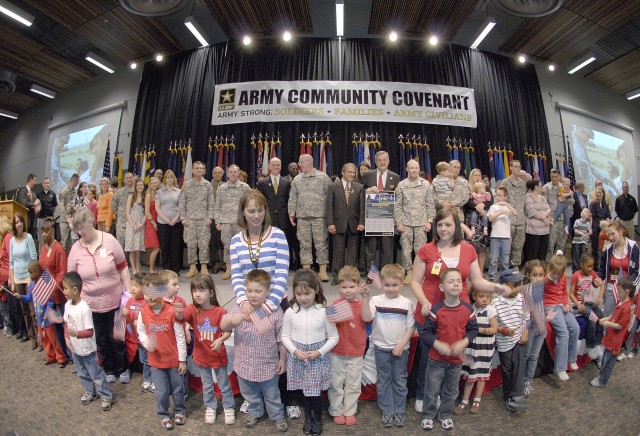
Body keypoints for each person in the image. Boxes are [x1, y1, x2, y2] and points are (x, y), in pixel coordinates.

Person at [410, 209, 510, 412]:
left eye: (448, 224)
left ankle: (446, 397)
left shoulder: (468, 250)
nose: (444, 229)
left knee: (453, 359)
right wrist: (424, 302)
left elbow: (478, 281)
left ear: (456, 226)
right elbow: (414, 282)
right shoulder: (426, 250)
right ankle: (423, 395)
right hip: (430, 315)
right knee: (429, 357)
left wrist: (498, 287)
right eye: (440, 225)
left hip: (458, 316)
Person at [67, 208, 131, 384]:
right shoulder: (75, 249)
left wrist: (129, 293)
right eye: (77, 229)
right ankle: (109, 368)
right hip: (91, 304)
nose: (80, 233)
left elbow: (123, 267)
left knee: (116, 337)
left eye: (82, 228)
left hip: (115, 300)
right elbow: (71, 278)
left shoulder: (109, 240)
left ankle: (123, 368)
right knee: (101, 339)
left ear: (91, 222)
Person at [220, 269, 289, 433]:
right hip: (244, 364)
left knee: (272, 394)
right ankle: (255, 412)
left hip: (267, 364)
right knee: (249, 393)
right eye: (249, 290)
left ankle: (277, 415)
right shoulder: (239, 308)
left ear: (268, 291)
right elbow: (223, 326)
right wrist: (230, 320)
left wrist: (282, 360)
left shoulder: (276, 312)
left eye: (258, 291)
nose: (253, 295)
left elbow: (281, 340)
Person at [419, 268, 478, 431]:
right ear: (442, 287)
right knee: (431, 390)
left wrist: (464, 341)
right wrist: (438, 344)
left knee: (451, 392)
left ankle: (445, 415)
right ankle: (428, 415)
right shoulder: (437, 310)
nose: (456, 284)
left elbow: (473, 330)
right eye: (451, 281)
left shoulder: (468, 309)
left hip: (456, 361)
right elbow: (425, 333)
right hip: (436, 360)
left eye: (459, 281)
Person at [282, 269, 339, 435]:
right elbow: (285, 336)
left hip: (317, 357)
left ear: (317, 290)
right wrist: (294, 351)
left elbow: (334, 338)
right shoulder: (290, 311)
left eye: (307, 293)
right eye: (298, 294)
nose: (303, 298)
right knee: (304, 392)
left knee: (315, 393)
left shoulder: (326, 311)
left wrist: (319, 352)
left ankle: (318, 419)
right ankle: (308, 417)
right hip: (298, 356)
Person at [174, 273, 235, 425]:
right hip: (201, 357)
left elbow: (228, 331)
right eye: (194, 291)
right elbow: (180, 318)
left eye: (201, 290)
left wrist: (221, 340)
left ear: (211, 292)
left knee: (224, 385)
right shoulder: (192, 310)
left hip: (218, 357)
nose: (197, 294)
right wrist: (179, 312)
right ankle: (210, 407)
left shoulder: (220, 312)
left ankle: (228, 407)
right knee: (207, 386)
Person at [361, 264, 415, 428]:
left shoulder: (407, 303)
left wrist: (402, 343)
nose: (391, 289)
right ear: (381, 283)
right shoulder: (376, 300)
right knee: (383, 380)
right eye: (387, 285)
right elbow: (366, 317)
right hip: (381, 348)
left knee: (399, 380)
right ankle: (387, 410)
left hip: (401, 349)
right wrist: (365, 298)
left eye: (395, 285)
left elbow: (411, 327)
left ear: (402, 283)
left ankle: (399, 410)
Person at [137, 273, 187, 430]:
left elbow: (180, 337)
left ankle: (180, 411)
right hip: (156, 362)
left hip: (173, 361)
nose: (150, 297)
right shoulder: (143, 313)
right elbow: (141, 332)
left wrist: (182, 360)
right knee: (162, 391)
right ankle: (163, 414)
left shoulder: (171, 312)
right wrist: (146, 343)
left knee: (178, 389)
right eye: (146, 293)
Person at [62, 271, 113, 411]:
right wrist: (67, 337)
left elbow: (90, 331)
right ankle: (90, 391)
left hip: (87, 349)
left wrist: (76, 333)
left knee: (95, 373)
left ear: (75, 290)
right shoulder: (67, 305)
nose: (63, 291)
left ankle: (106, 396)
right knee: (81, 372)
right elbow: (66, 323)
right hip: (75, 348)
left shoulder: (84, 309)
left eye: (65, 288)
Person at [328, 266, 367, 426]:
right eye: (344, 287)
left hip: (356, 353)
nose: (348, 291)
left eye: (352, 287)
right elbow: (328, 323)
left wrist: (367, 299)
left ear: (358, 286)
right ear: (339, 287)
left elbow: (368, 318)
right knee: (336, 384)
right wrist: (331, 315)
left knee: (353, 385)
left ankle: (349, 411)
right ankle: (336, 410)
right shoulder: (335, 303)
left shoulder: (363, 304)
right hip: (337, 352)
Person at [12, 259, 67, 366]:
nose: (30, 275)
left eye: (31, 273)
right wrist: (20, 297)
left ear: (37, 272)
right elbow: (29, 299)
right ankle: (50, 356)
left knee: (53, 339)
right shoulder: (31, 285)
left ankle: (61, 357)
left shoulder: (44, 283)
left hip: (47, 319)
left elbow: (50, 301)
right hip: (39, 318)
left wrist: (47, 311)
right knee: (44, 339)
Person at [288, 154, 332, 281]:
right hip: (302, 217)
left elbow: (330, 197)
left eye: (301, 162)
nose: (299, 164)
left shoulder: (322, 177)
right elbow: (293, 197)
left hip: (319, 216)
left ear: (309, 162)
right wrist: (292, 213)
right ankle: (306, 271)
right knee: (304, 244)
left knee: (321, 244)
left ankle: (322, 271)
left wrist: (330, 216)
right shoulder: (297, 179)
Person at [455, 288, 497, 415]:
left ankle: (477, 400)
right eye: (482, 296)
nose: (485, 299)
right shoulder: (470, 309)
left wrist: (479, 330)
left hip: (485, 348)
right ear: (474, 296)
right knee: (470, 374)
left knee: (482, 375)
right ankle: (465, 400)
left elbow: (494, 329)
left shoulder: (491, 310)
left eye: (488, 297)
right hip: (472, 347)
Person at [394, 159, 435, 285]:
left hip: (421, 223)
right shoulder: (401, 185)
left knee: (420, 250)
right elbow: (398, 206)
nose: (414, 170)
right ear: (407, 169)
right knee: (406, 249)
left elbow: (430, 204)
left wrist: (429, 221)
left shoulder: (425, 184)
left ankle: (419, 272)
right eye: (412, 168)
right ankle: (409, 272)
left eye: (416, 168)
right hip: (406, 223)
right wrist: (399, 223)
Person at [493, 269, 529, 412]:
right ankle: (508, 395)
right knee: (507, 369)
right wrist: (503, 330)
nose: (517, 288)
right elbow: (493, 324)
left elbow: (526, 318)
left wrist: (525, 333)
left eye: (518, 284)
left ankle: (516, 395)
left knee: (519, 367)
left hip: (518, 339)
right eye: (513, 284)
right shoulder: (496, 303)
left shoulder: (522, 299)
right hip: (504, 343)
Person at [326, 163, 365, 285]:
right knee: (338, 252)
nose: (352, 174)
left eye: (353, 172)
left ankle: (351, 277)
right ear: (343, 173)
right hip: (338, 224)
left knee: (353, 254)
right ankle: (337, 277)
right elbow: (329, 207)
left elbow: (362, 208)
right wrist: (330, 223)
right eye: (349, 172)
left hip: (354, 224)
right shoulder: (333, 186)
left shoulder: (359, 187)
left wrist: (362, 222)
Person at [591, 275, 633, 387]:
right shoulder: (620, 302)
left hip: (615, 341)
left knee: (608, 363)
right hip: (610, 338)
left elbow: (620, 325)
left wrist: (607, 323)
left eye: (619, 291)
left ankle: (602, 381)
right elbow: (613, 315)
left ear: (627, 291)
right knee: (605, 359)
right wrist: (607, 318)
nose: (617, 293)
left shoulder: (626, 308)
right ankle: (601, 377)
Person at [544, 253, 580, 381]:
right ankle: (560, 368)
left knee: (575, 328)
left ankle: (572, 358)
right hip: (551, 307)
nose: (555, 276)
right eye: (553, 273)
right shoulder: (545, 279)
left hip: (562, 305)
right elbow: (541, 297)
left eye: (558, 274)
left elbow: (564, 292)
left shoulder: (563, 277)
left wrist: (566, 304)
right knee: (563, 333)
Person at [38, 217, 69, 361]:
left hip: (59, 295)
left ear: (52, 232)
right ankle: (62, 354)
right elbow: (43, 270)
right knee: (55, 327)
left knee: (63, 325)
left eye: (46, 231)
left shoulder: (59, 249)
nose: (44, 234)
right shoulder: (44, 249)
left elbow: (61, 273)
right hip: (48, 296)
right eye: (42, 232)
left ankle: (69, 353)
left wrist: (52, 289)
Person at [214, 164, 251, 280]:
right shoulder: (222, 188)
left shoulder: (245, 187)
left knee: (243, 246)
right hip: (226, 222)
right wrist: (218, 221)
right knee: (227, 246)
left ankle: (242, 270)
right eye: (231, 172)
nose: (233, 174)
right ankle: (229, 269)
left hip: (240, 222)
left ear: (238, 173)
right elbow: (217, 206)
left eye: (235, 172)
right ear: (227, 173)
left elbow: (249, 204)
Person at [179, 161, 214, 278]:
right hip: (190, 220)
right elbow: (182, 202)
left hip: (204, 220)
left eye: (202, 168)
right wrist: (183, 218)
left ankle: (203, 267)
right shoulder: (187, 185)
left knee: (204, 244)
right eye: (197, 168)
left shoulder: (207, 185)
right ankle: (192, 267)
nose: (200, 170)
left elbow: (211, 203)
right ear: (193, 170)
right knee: (191, 245)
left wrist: (210, 217)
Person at [598, 220, 639, 317]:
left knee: (623, 322)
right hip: (611, 288)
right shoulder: (608, 250)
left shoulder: (633, 247)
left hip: (626, 290)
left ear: (620, 232)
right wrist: (597, 279)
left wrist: (629, 285)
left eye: (613, 234)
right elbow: (602, 271)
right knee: (608, 319)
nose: (610, 238)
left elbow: (637, 271)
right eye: (609, 235)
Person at [257, 158, 294, 265]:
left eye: (278, 165)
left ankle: (284, 263)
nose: (276, 167)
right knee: (268, 241)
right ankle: (268, 262)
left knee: (284, 242)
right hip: (268, 217)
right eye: (273, 165)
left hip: (283, 218)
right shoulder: (262, 182)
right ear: (269, 167)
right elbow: (260, 201)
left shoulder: (286, 182)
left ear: (281, 167)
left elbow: (289, 200)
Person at [570, 253, 605, 362]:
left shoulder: (592, 273)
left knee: (600, 315)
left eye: (592, 266)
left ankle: (599, 346)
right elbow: (570, 294)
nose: (590, 269)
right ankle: (591, 347)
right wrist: (578, 304)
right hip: (578, 304)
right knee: (591, 317)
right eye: (588, 266)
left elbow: (602, 284)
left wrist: (600, 297)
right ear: (581, 265)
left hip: (588, 303)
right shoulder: (576, 275)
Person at [9, 212, 37, 347]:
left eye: (20, 221)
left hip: (28, 277)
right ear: (13, 225)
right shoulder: (12, 241)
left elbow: (33, 257)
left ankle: (40, 339)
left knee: (33, 309)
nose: (18, 224)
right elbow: (11, 262)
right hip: (18, 278)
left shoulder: (29, 237)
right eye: (16, 222)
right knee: (24, 310)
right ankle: (32, 339)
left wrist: (32, 279)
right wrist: (12, 280)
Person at [521, 260, 547, 398]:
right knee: (526, 355)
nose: (538, 278)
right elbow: (525, 312)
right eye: (535, 275)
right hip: (530, 328)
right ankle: (520, 380)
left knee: (534, 356)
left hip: (541, 327)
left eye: (541, 275)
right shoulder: (525, 291)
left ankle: (528, 381)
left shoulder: (545, 289)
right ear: (528, 275)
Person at [122, 272, 151, 393]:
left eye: (137, 286)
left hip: (148, 338)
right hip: (137, 339)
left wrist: (139, 322)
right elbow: (128, 321)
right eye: (132, 285)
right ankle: (147, 379)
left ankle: (153, 380)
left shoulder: (147, 302)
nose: (133, 288)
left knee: (151, 360)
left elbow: (151, 320)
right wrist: (126, 316)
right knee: (144, 360)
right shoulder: (129, 301)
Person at [500, 160, 530, 269]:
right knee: (507, 245)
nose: (518, 169)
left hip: (520, 218)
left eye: (519, 166)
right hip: (509, 219)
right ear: (511, 168)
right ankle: (505, 267)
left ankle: (516, 265)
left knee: (519, 244)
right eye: (516, 167)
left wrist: (527, 178)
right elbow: (500, 198)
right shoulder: (505, 182)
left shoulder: (523, 184)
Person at [487, 186, 517, 281]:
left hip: (506, 237)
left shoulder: (507, 207)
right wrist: (500, 212)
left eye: (500, 195)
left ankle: (505, 277)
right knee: (493, 259)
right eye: (497, 195)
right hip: (495, 237)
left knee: (505, 260)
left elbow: (515, 213)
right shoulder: (493, 207)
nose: (498, 197)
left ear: (505, 196)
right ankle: (492, 277)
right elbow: (490, 219)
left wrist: (506, 205)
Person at [155, 170, 182, 275]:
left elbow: (181, 207)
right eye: (167, 177)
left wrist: (176, 218)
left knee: (175, 246)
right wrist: (165, 219)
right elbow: (157, 207)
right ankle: (166, 269)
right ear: (164, 179)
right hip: (163, 222)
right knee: (164, 246)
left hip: (176, 222)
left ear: (174, 179)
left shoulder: (179, 192)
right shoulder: (159, 192)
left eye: (171, 177)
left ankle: (175, 270)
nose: (169, 179)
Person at [465, 169, 492, 271]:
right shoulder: (467, 188)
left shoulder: (486, 188)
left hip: (483, 219)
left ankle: (480, 272)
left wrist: (482, 205)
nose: (477, 177)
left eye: (479, 175)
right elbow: (466, 202)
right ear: (471, 177)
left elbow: (490, 202)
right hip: (472, 220)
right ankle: (472, 272)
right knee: (472, 247)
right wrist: (477, 206)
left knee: (482, 246)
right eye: (475, 175)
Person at [543, 169, 573, 261]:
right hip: (552, 219)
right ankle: (548, 263)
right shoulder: (547, 187)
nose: (554, 179)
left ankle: (558, 264)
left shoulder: (563, 187)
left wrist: (565, 200)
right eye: (552, 177)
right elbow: (544, 203)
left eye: (556, 177)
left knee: (561, 244)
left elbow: (572, 201)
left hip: (563, 219)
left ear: (559, 177)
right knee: (550, 244)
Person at [522, 179, 551, 263]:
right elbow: (531, 211)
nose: (542, 187)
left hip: (545, 229)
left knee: (542, 252)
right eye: (540, 185)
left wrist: (544, 217)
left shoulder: (542, 197)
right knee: (533, 253)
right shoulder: (528, 196)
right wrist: (543, 218)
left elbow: (548, 209)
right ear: (536, 187)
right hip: (533, 230)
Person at [0, 216, 17, 337]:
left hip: (10, 277)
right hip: (5, 276)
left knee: (13, 306)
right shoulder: (4, 239)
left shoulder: (8, 238)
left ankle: (15, 328)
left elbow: (12, 259)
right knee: (8, 306)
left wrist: (11, 277)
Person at [125, 177, 146, 274]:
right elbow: (127, 213)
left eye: (141, 185)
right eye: (138, 185)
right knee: (131, 248)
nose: (139, 187)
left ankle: (138, 268)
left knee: (137, 249)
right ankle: (133, 269)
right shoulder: (130, 198)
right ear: (135, 186)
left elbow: (146, 213)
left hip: (141, 225)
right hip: (131, 225)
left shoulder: (145, 198)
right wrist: (133, 224)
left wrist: (141, 224)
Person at [111, 171, 135, 250]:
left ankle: (130, 262)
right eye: (127, 178)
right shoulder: (119, 192)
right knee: (120, 246)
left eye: (131, 178)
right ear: (124, 180)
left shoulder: (136, 192)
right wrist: (120, 213)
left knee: (132, 247)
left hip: (134, 223)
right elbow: (113, 205)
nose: (129, 179)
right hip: (122, 224)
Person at [618, 277, 640, 360]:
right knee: (632, 332)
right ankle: (625, 352)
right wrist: (630, 303)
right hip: (638, 315)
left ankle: (635, 351)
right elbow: (637, 295)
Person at [209, 166, 225, 274]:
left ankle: (225, 263)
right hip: (212, 217)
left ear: (223, 174)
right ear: (212, 174)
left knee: (224, 241)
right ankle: (215, 263)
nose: (217, 175)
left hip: (224, 217)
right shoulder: (207, 186)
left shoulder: (226, 186)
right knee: (213, 242)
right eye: (215, 173)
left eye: (219, 173)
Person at [16, 173, 40, 241]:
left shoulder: (34, 193)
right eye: (34, 181)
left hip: (33, 222)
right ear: (30, 180)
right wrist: (34, 204)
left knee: (31, 240)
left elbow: (37, 203)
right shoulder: (22, 191)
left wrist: (38, 206)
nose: (35, 183)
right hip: (25, 221)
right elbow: (24, 203)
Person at [59, 174, 80, 252]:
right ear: (74, 180)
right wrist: (67, 218)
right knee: (64, 242)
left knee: (72, 243)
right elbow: (61, 206)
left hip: (73, 219)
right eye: (77, 181)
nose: (78, 183)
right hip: (65, 220)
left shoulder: (75, 191)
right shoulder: (64, 191)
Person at [144, 177, 160, 273]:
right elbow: (147, 211)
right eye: (152, 183)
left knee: (156, 247)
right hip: (151, 223)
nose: (154, 184)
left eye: (156, 183)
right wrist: (154, 223)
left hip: (158, 221)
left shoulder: (158, 195)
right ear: (149, 184)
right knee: (156, 247)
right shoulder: (148, 196)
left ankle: (153, 269)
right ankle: (151, 270)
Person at [36, 177, 58, 247]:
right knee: (42, 239)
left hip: (50, 220)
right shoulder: (38, 194)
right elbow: (36, 206)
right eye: (45, 183)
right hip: (41, 219)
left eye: (48, 183)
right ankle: (42, 256)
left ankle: (51, 255)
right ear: (42, 184)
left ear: (50, 184)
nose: (47, 184)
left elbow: (54, 207)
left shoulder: (53, 194)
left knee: (51, 238)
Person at [70, 182, 90, 246]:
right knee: (74, 233)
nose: (86, 188)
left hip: (86, 221)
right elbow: (75, 209)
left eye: (87, 186)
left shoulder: (90, 197)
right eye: (84, 187)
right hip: (78, 219)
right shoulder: (77, 198)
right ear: (80, 188)